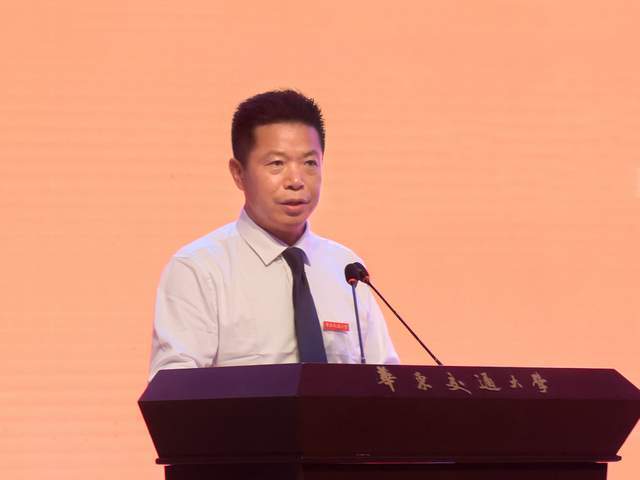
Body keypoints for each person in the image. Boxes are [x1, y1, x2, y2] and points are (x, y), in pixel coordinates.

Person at [149, 89, 399, 380]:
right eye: (277, 164)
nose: (295, 180)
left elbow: (386, 379)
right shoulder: (199, 269)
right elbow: (173, 389)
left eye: (309, 163)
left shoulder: (347, 269)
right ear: (238, 173)